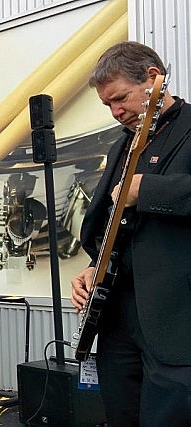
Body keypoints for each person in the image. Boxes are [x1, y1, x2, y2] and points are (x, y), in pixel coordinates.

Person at [71, 41, 191, 426]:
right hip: (118, 318)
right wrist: (94, 267)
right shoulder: (122, 143)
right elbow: (112, 221)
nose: (116, 111)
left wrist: (146, 190)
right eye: (107, 104)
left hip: (176, 320)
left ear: (153, 79)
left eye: (120, 98)